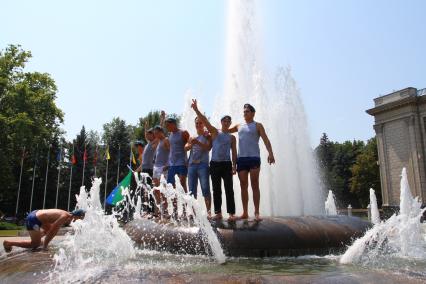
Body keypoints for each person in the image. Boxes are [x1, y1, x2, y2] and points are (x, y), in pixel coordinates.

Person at [227, 103, 275, 221]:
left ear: (253, 113)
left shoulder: (258, 125)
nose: (245, 113)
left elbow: (266, 140)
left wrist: (271, 153)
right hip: (241, 159)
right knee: (243, 185)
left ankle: (257, 212)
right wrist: (211, 130)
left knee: (255, 184)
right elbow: (225, 130)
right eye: (244, 111)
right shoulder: (239, 126)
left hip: (254, 158)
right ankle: (245, 212)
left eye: (247, 111)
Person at [191, 99, 237, 221]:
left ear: (230, 123)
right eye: (224, 120)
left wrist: (234, 166)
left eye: (228, 121)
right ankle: (218, 213)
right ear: (221, 122)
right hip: (215, 165)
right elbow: (204, 120)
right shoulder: (215, 132)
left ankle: (232, 213)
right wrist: (196, 109)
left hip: (227, 164)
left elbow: (234, 152)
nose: (226, 122)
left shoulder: (232, 137)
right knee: (216, 189)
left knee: (229, 189)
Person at [3, 209, 86, 252]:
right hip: (34, 219)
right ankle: (9, 243)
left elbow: (50, 229)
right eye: (81, 218)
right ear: (77, 216)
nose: (81, 220)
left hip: (36, 215)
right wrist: (45, 246)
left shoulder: (66, 214)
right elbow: (53, 230)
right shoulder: (65, 217)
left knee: (47, 231)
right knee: (35, 244)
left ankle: (37, 238)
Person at [184, 116, 212, 216]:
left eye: (200, 123)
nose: (198, 125)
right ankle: (194, 213)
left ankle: (209, 212)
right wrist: (191, 144)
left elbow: (209, 147)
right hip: (191, 166)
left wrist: (198, 143)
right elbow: (185, 148)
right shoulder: (192, 136)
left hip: (203, 165)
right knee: (191, 190)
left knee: (205, 188)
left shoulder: (207, 135)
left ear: (203, 124)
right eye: (197, 123)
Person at [163, 112, 190, 191]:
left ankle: (186, 203)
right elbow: (171, 150)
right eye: (166, 126)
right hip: (172, 164)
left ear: (174, 124)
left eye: (168, 125)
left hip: (182, 162)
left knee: (182, 184)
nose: (167, 127)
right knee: (170, 185)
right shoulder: (170, 135)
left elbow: (190, 144)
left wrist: (189, 161)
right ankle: (175, 203)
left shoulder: (183, 133)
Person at [152, 125, 170, 215]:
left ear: (160, 132)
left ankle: (165, 211)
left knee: (163, 190)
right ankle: (157, 210)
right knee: (156, 190)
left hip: (163, 168)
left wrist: (168, 164)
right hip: (156, 168)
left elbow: (171, 152)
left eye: (156, 133)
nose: (155, 135)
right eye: (154, 133)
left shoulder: (166, 140)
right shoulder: (159, 141)